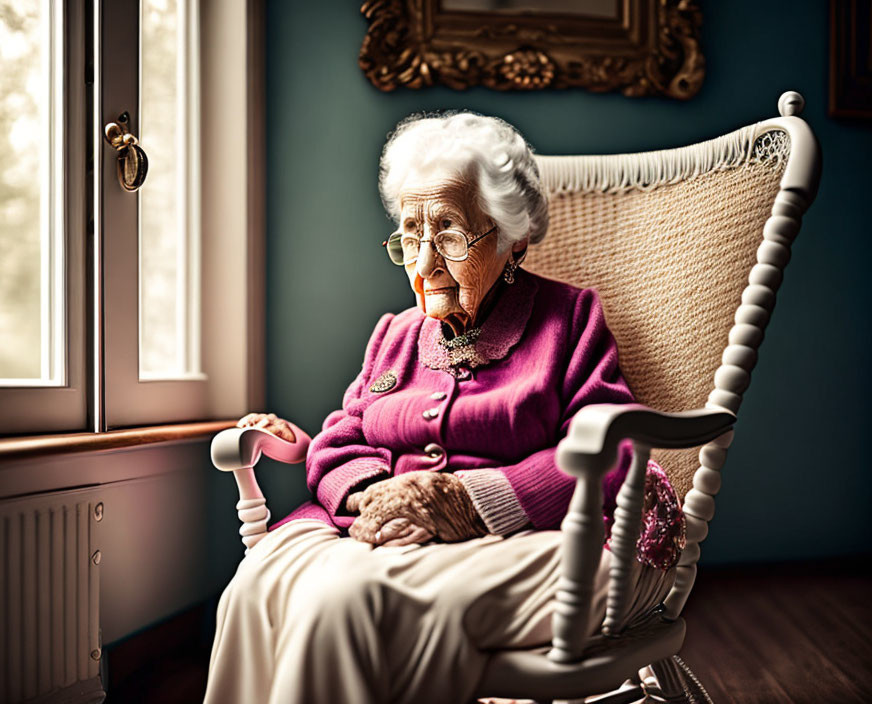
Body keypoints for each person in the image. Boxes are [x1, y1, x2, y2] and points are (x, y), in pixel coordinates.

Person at [203, 112, 685, 704]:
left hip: (519, 537)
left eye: (451, 235)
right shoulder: (396, 333)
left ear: (513, 240)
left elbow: (610, 452)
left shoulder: (570, 321)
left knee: (348, 605)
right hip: (375, 529)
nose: (425, 263)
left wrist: (465, 501)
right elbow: (337, 442)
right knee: (256, 586)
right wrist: (372, 494)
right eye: (410, 235)